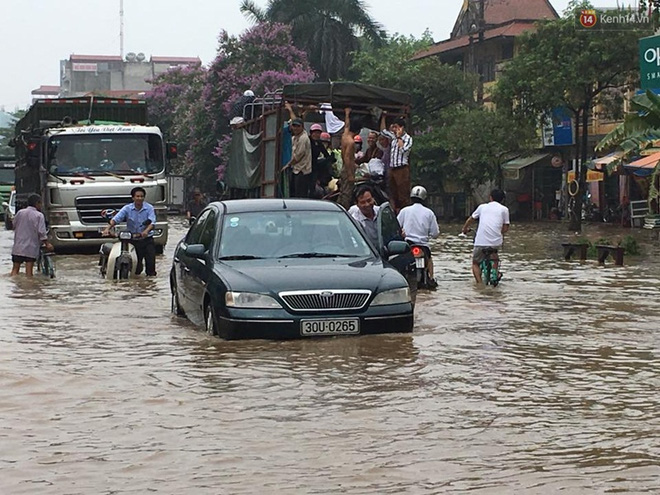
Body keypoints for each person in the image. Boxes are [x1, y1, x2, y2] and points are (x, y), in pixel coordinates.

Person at [102, 186, 157, 276]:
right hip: (132, 240)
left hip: (147, 240)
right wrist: (107, 228)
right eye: (137, 196)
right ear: (133, 198)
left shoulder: (149, 208)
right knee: (136, 268)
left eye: (141, 196)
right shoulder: (127, 208)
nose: (139, 198)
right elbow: (116, 219)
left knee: (151, 267)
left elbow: (152, 222)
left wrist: (146, 231)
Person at [461, 189, 510, 284]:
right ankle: (494, 274)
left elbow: (471, 219)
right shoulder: (504, 209)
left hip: (480, 242)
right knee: (495, 257)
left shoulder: (482, 207)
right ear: (502, 200)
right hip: (496, 242)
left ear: (490, 197)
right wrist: (499, 233)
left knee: (475, 263)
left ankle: (479, 285)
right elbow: (505, 227)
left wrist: (464, 229)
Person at [397, 186, 439, 287]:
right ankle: (431, 278)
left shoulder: (404, 211)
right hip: (423, 246)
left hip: (408, 245)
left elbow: (397, 226)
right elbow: (435, 233)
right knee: (429, 260)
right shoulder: (429, 213)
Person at [10, 193, 53, 277]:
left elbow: (13, 225)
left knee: (15, 270)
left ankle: (14, 288)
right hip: (30, 248)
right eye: (40, 203)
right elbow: (41, 232)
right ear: (37, 203)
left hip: (18, 247)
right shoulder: (39, 215)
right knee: (29, 273)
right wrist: (47, 244)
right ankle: (29, 288)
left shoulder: (20, 213)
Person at [380, 113, 413, 213]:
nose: (394, 129)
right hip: (392, 169)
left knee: (403, 193)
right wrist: (383, 117)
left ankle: (405, 212)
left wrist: (399, 137)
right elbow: (383, 131)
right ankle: (395, 211)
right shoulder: (393, 137)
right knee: (392, 192)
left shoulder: (408, 139)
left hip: (401, 169)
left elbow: (404, 149)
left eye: (396, 127)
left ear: (401, 128)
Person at [283, 102, 312, 198]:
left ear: (302, 126)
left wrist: (287, 165)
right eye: (294, 126)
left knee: (300, 195)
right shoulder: (294, 138)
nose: (295, 128)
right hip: (295, 170)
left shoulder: (303, 138)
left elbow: (298, 156)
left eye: (297, 126)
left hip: (302, 171)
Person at [338, 108, 362, 209]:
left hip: (346, 167)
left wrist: (347, 114)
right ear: (358, 130)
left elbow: (347, 125)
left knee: (343, 191)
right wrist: (350, 175)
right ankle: (344, 210)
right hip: (347, 169)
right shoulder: (351, 142)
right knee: (346, 194)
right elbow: (347, 158)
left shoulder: (345, 135)